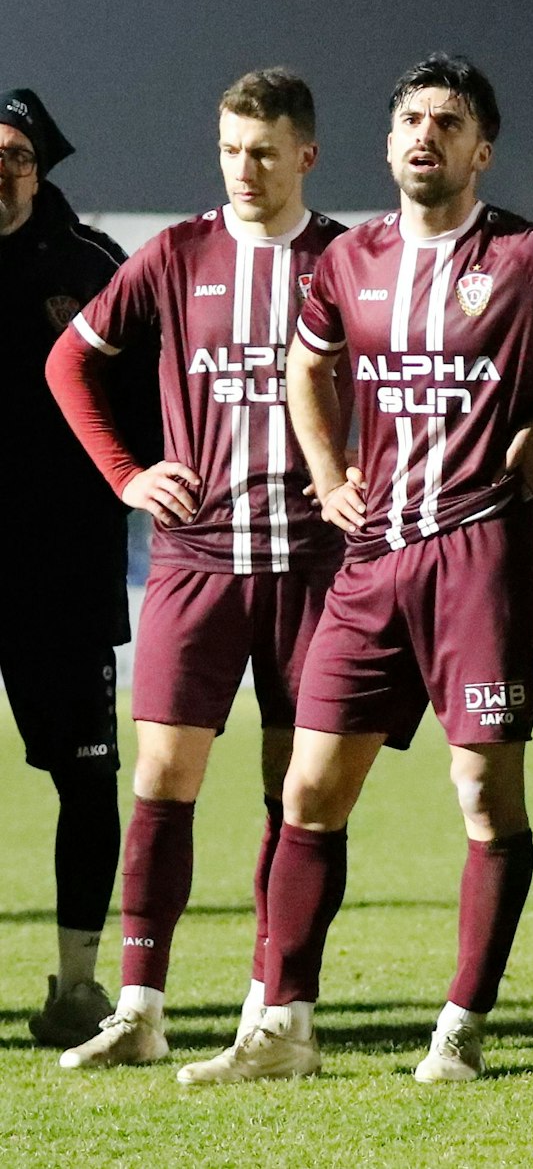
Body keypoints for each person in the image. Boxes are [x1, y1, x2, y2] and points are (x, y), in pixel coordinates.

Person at [175, 53, 533, 1085]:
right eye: (411, 119)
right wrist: (327, 469)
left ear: (479, 149)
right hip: (369, 561)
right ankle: (283, 1025)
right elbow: (305, 363)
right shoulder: (350, 259)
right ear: (385, 142)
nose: (425, 136)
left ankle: (459, 1023)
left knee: (483, 795)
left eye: (448, 123)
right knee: (309, 790)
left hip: (479, 556)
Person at [45, 69, 346, 1069]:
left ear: (305, 153)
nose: (244, 169)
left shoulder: (349, 259)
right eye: (229, 149)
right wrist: (126, 473)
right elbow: (68, 362)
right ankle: (139, 1006)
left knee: (294, 794)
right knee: (164, 778)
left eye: (263, 150)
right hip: (196, 559)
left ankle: (272, 1011)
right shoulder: (177, 253)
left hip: (314, 565)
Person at [0, 89, 155, 1050]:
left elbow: (154, 398)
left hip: (61, 571)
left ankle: (79, 985)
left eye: (13, 151)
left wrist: (138, 481)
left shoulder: (95, 268)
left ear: (41, 164)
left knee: (88, 780)